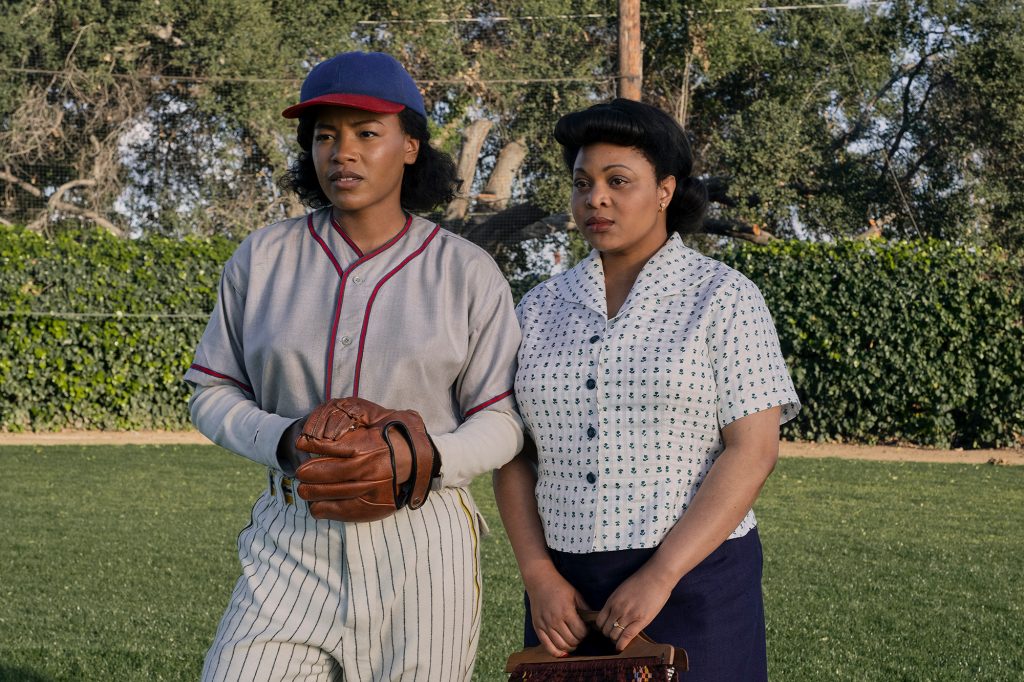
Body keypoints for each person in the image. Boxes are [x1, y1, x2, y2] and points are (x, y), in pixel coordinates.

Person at [186, 51, 523, 681]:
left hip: (421, 538)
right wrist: (283, 438)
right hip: (293, 533)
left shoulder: (464, 270)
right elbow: (211, 390)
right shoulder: (263, 257)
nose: (343, 152)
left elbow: (501, 419)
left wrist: (419, 458)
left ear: (411, 147)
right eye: (325, 135)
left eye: (367, 133)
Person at [493, 98, 800, 681]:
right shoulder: (537, 308)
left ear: (665, 189)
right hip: (566, 598)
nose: (595, 199)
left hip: (696, 578)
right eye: (582, 183)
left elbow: (753, 451)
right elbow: (515, 454)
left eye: (617, 181)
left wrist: (661, 575)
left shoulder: (724, 298)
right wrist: (538, 576)